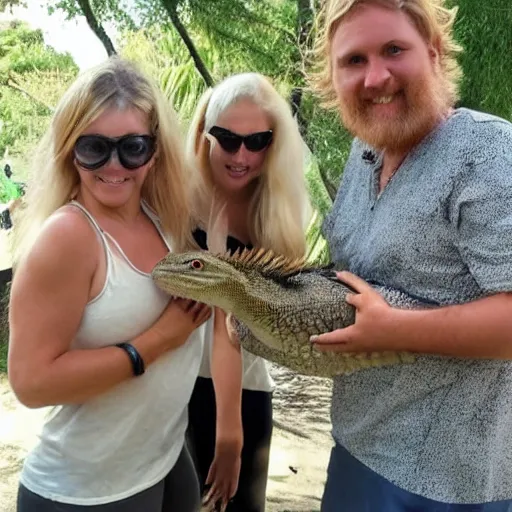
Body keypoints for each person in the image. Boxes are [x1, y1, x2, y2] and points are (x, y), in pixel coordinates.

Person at [307, 0, 512, 510]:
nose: (376, 76)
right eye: (354, 60)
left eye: (394, 50)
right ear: (332, 78)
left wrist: (393, 330)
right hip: (357, 448)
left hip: (452, 483)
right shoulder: (365, 153)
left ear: (435, 53)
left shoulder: (488, 155)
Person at [7, 57, 211, 511]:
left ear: (154, 150)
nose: (114, 165)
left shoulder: (162, 220)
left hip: (163, 461)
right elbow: (31, 382)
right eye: (93, 148)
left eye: (132, 147)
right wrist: (157, 340)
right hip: (88, 491)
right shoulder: (68, 237)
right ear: (69, 149)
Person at [185, 72, 312, 511]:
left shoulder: (279, 210)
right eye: (228, 138)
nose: (242, 155)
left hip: (248, 389)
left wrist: (231, 429)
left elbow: (240, 321)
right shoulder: (177, 198)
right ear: (205, 134)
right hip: (173, 385)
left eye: (257, 141)